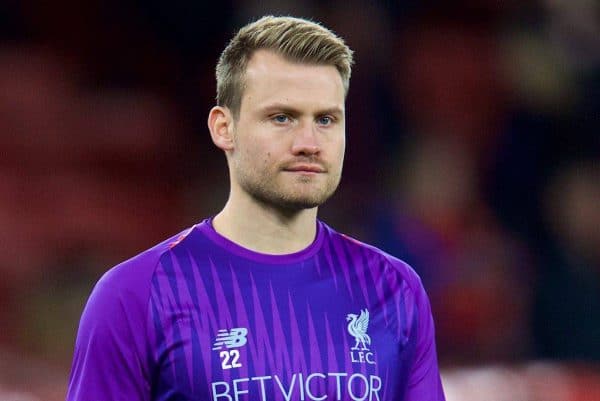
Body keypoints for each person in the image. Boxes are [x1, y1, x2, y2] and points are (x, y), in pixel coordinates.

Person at [66, 15, 446, 401]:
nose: (309, 142)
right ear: (223, 128)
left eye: (327, 119)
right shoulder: (134, 295)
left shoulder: (393, 288)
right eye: (282, 118)